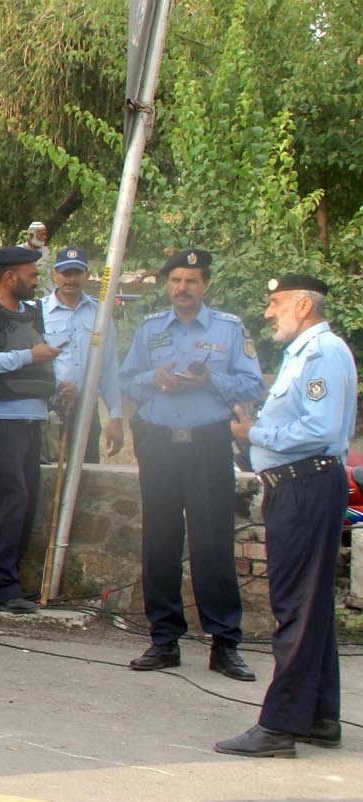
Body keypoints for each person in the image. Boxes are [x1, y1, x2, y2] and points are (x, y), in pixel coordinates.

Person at [216, 275, 357, 756]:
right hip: (299, 484)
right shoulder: (305, 353)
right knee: (309, 604)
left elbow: (318, 428)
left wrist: (255, 433)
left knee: (295, 605)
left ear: (302, 305)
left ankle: (279, 725)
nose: (269, 312)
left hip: (305, 484)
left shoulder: (322, 353)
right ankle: (318, 715)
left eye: (276, 303)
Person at [119, 249, 264, 680]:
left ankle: (224, 643)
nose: (182, 288)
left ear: (205, 286)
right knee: (159, 542)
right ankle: (163, 640)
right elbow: (127, 378)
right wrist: (155, 379)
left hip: (207, 445)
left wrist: (210, 380)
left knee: (212, 543)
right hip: (160, 443)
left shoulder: (230, 329)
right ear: (168, 285)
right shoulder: (149, 329)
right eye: (176, 280)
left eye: (192, 281)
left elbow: (252, 383)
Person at [0, 245, 65, 613]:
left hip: (31, 418)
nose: (37, 281)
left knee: (25, 502)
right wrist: (27, 357)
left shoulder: (31, 313)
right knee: (8, 501)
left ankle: (11, 583)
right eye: (32, 274)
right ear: (10, 277)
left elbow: (44, 360)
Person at [41, 246, 124, 463]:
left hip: (86, 408)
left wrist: (115, 416)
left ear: (86, 275)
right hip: (48, 408)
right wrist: (54, 387)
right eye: (66, 273)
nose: (71, 279)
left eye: (77, 273)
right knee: (46, 477)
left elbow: (109, 368)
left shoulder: (101, 313)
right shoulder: (37, 312)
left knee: (85, 475)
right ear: (54, 275)